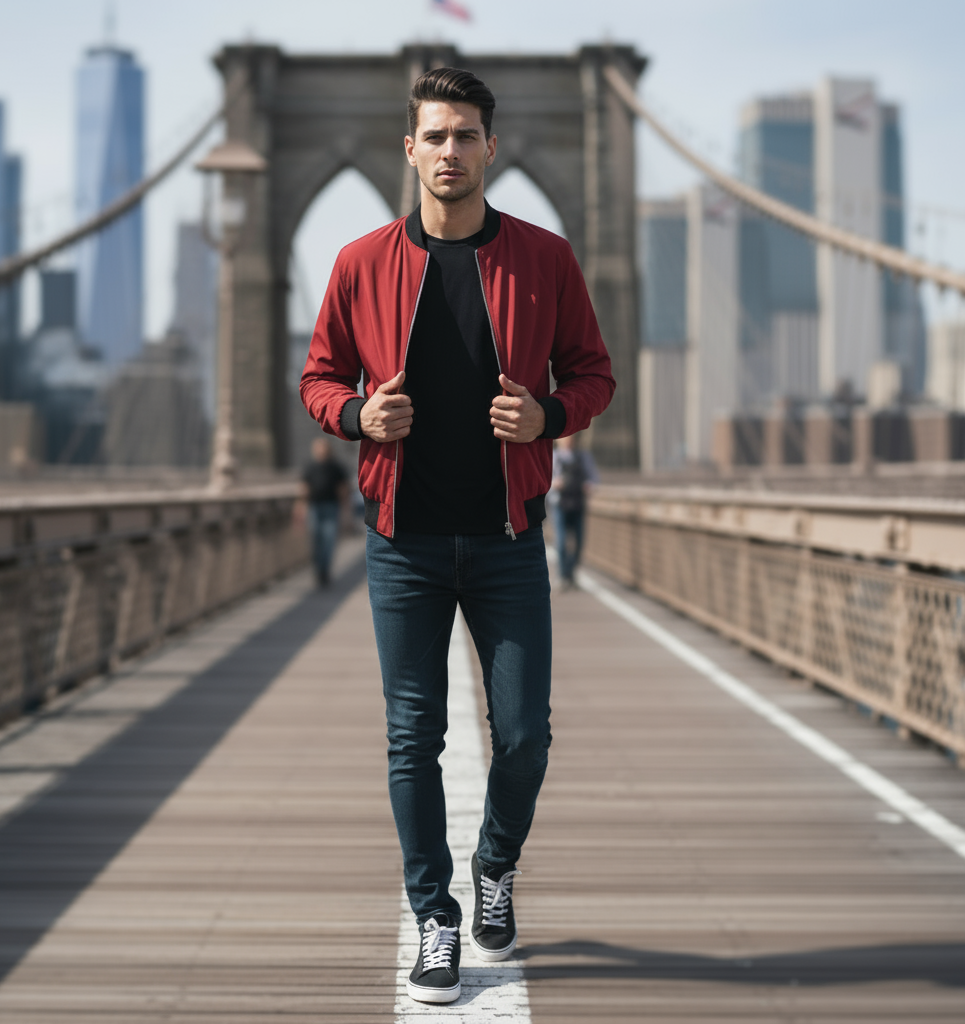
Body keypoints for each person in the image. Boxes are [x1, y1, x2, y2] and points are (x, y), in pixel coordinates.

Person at [300, 67, 615, 1004]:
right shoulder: (360, 263)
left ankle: (495, 864)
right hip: (403, 540)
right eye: (433, 136)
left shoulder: (545, 259)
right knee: (413, 736)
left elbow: (594, 372)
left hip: (510, 535)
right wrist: (359, 417)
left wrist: (551, 415)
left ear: (490, 147)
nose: (449, 151)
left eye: (465, 135)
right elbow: (318, 379)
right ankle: (437, 920)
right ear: (411, 149)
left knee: (523, 738)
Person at [549, 433, 599, 587]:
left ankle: (571, 572)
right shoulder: (554, 457)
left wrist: (589, 485)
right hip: (560, 504)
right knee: (562, 542)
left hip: (578, 503)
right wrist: (554, 484)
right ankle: (564, 575)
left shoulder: (583, 456)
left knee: (579, 542)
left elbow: (594, 478)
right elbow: (544, 481)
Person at [301, 438, 349, 587]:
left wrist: (345, 509)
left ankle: (325, 571)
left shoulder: (335, 467)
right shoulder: (310, 467)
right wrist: (300, 507)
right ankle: (318, 571)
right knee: (316, 540)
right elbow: (304, 488)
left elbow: (343, 489)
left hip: (331, 506)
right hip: (314, 507)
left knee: (329, 540)